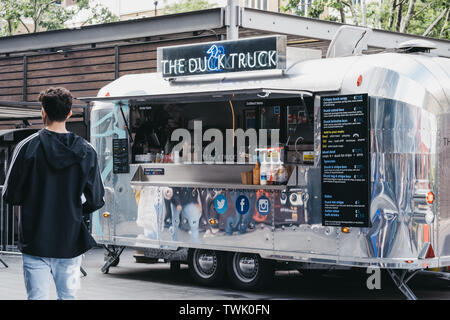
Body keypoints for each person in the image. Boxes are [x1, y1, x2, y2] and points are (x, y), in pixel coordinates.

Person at [2, 87, 105, 300]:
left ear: (43, 112)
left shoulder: (26, 147)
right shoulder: (87, 150)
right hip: (70, 241)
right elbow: (96, 199)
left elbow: (10, 196)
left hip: (35, 239)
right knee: (68, 297)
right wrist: (75, 210)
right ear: (69, 114)